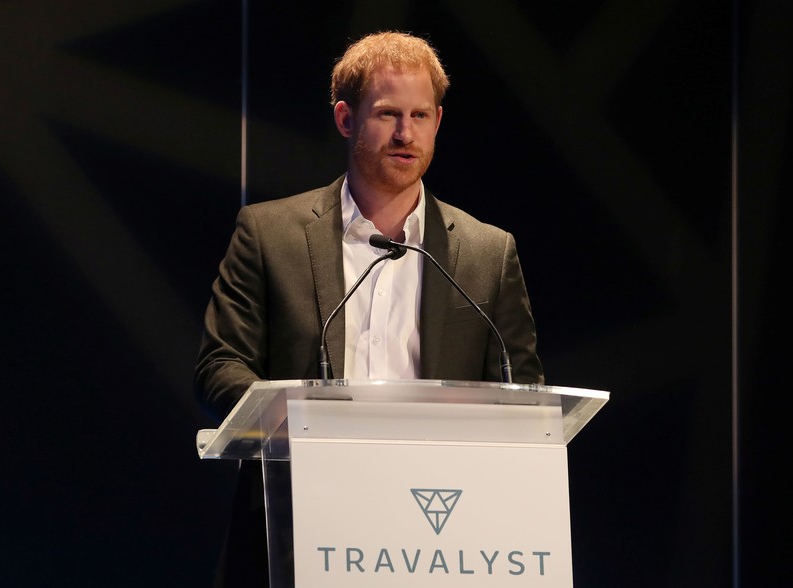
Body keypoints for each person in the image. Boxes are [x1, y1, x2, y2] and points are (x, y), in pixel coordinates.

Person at [194, 31, 544, 588]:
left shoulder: (486, 252)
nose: (406, 133)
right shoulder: (269, 234)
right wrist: (299, 419)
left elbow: (523, 399)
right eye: (386, 114)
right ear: (344, 118)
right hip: (298, 524)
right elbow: (220, 366)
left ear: (437, 121)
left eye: (420, 115)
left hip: (442, 541)